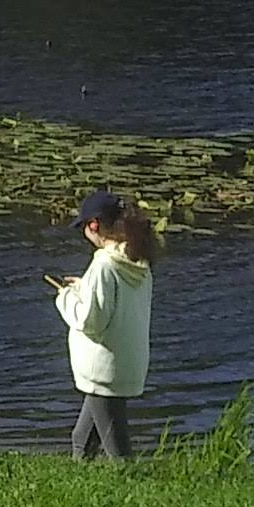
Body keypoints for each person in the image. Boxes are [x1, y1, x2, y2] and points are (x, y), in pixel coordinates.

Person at [55, 186, 157, 460]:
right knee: (81, 438)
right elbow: (116, 299)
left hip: (103, 368)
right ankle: (79, 480)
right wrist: (84, 286)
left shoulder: (103, 265)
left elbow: (91, 321)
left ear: (94, 225)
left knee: (118, 451)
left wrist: (65, 298)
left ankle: (130, 484)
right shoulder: (137, 260)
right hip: (125, 364)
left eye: (84, 228)